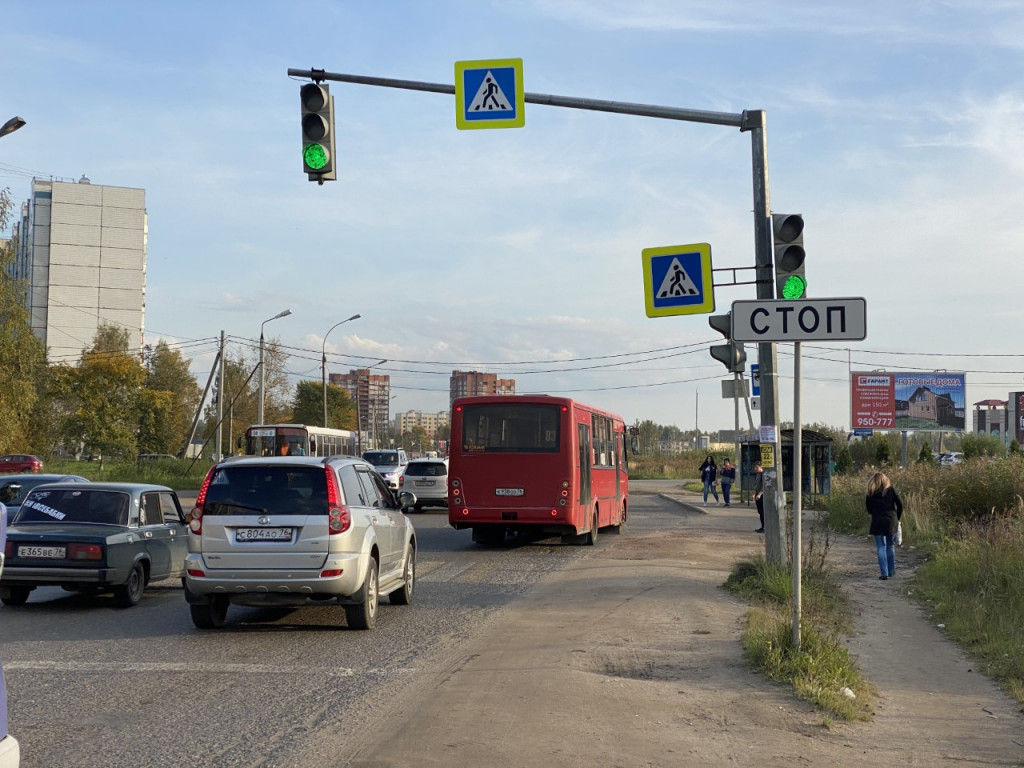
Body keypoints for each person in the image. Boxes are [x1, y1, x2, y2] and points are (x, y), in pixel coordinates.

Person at [866, 472, 903, 580]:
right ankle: (891, 571)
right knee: (890, 545)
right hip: (891, 520)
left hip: (877, 521)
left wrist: (875, 512)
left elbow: (869, 509)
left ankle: (884, 573)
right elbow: (900, 504)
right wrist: (897, 517)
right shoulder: (891, 490)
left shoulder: (871, 492)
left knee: (881, 546)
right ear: (885, 480)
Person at [752, 462, 765, 533]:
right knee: (760, 511)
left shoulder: (763, 475)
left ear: (761, 467)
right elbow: (756, 485)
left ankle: (764, 527)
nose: (755, 469)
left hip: (762, 495)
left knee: (762, 511)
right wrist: (754, 493)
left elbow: (764, 486)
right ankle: (762, 526)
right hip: (757, 494)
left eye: (756, 467)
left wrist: (759, 494)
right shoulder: (757, 475)